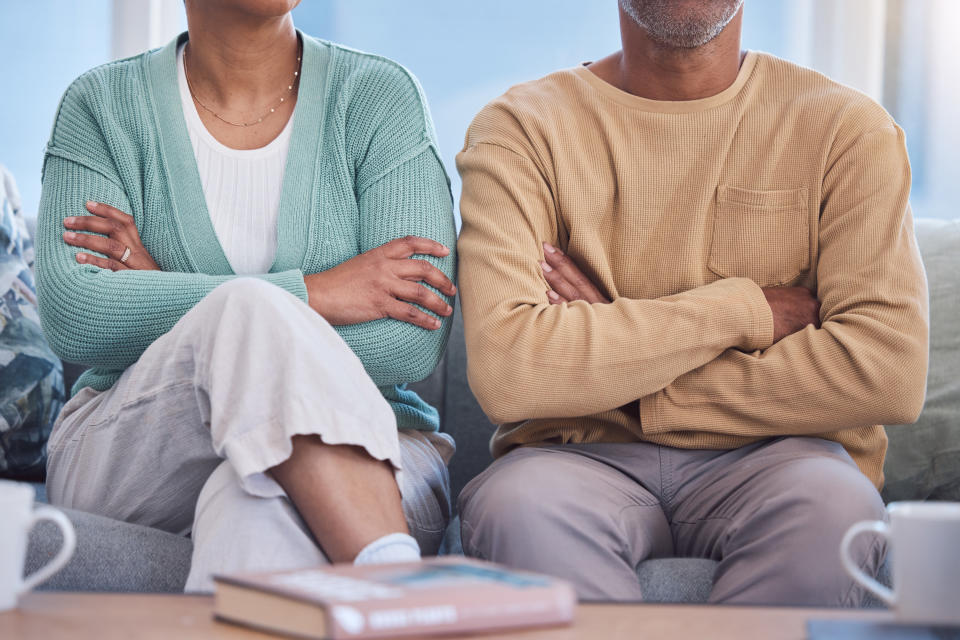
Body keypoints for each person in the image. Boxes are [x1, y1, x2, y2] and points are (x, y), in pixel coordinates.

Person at [456, 0, 928, 605]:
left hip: (783, 460)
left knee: (835, 508)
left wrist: (617, 366)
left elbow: (885, 374)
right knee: (516, 506)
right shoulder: (521, 128)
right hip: (574, 460)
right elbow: (509, 376)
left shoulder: (848, 130)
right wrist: (744, 310)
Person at [37, 0, 457, 591]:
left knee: (250, 501)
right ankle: (397, 588)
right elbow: (78, 314)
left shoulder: (378, 97)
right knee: (246, 311)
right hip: (131, 451)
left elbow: (411, 339)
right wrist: (317, 292)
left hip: (378, 448)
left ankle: (389, 581)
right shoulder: (101, 105)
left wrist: (164, 292)